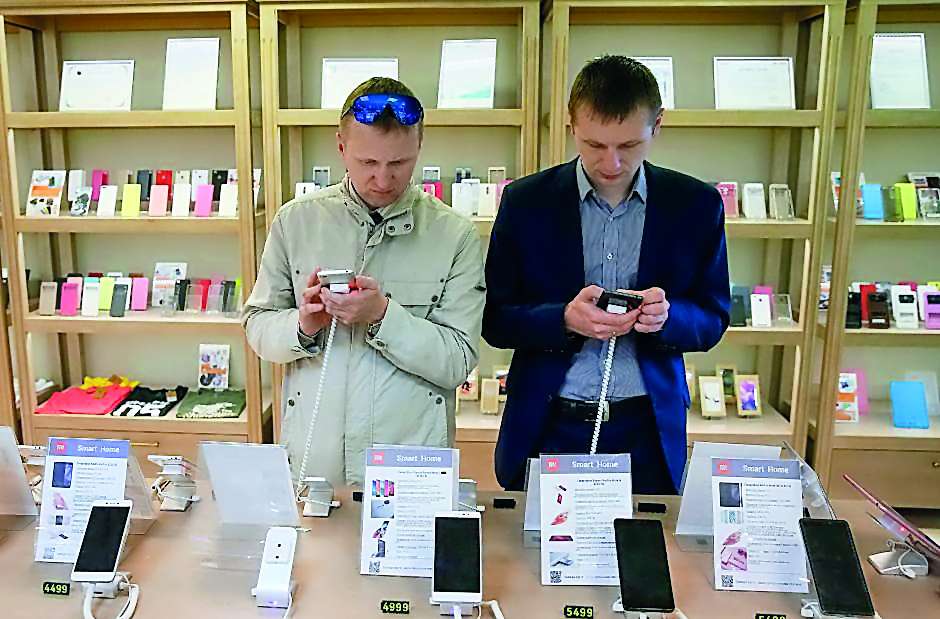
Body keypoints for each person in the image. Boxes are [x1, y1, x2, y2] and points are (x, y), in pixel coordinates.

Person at [483, 56, 730, 494]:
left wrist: (666, 318)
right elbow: (496, 317)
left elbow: (713, 317)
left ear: (658, 126)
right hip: (549, 423)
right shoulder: (525, 203)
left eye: (629, 146)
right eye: (595, 145)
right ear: (571, 124)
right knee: (536, 558)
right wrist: (563, 319)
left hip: (647, 428)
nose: (611, 162)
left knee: (647, 558)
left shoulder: (696, 205)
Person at [243, 77, 485, 486]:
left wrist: (383, 316)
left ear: (419, 148)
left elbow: (458, 359)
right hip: (314, 461)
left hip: (410, 465)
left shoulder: (455, 234)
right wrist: (303, 325)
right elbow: (257, 326)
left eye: (399, 163)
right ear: (341, 147)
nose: (384, 179)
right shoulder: (295, 221)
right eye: (368, 163)